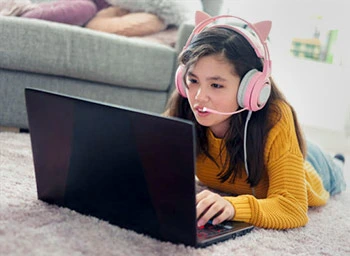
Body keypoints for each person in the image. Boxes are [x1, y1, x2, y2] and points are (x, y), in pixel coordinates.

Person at [164, 11, 347, 230]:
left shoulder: (275, 116)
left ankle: (338, 160)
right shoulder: (185, 104)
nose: (199, 96)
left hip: (317, 166)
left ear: (250, 90)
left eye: (216, 85)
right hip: (281, 149)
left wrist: (233, 206)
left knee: (332, 165)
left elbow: (293, 208)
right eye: (193, 80)